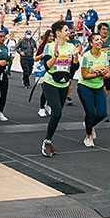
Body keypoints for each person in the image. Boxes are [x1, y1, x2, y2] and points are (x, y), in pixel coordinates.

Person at [40, 21, 79, 157]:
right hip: (50, 83)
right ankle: (47, 142)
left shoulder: (71, 46)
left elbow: (74, 68)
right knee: (57, 113)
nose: (69, 33)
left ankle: (49, 140)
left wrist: (75, 57)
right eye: (66, 30)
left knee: (57, 114)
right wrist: (56, 55)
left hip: (64, 84)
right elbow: (47, 67)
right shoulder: (49, 47)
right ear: (58, 33)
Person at [78, 33, 109, 147]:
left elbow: (108, 74)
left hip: (98, 87)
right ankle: (88, 136)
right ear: (91, 43)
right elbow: (85, 75)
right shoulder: (86, 56)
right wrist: (97, 74)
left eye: (101, 39)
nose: (100, 41)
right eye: (97, 40)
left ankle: (88, 124)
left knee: (102, 114)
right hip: (85, 87)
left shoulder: (104, 56)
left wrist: (103, 74)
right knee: (90, 112)